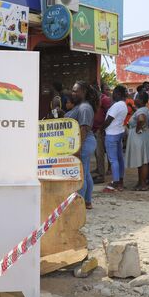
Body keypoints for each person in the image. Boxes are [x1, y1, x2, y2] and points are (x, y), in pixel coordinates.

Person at [66, 80, 98, 209]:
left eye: (75, 91)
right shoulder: (81, 106)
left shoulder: (84, 107)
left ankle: (79, 206)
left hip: (83, 142)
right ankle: (87, 202)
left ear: (83, 92)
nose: (72, 93)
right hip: (85, 142)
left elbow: (83, 128)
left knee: (81, 175)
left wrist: (78, 148)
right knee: (86, 173)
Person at [125, 92, 149, 191]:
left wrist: (138, 128)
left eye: (136, 98)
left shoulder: (141, 110)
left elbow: (141, 119)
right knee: (141, 160)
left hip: (140, 137)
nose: (134, 99)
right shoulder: (143, 109)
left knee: (143, 161)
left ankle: (143, 184)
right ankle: (140, 182)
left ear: (141, 100)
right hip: (142, 137)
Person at [101, 85, 128, 192]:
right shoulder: (124, 105)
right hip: (119, 132)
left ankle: (115, 183)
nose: (112, 95)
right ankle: (120, 180)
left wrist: (101, 129)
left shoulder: (117, 105)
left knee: (113, 159)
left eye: (114, 93)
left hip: (111, 134)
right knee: (119, 158)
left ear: (118, 94)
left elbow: (108, 120)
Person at [92, 83, 112, 183]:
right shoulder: (95, 100)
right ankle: (99, 170)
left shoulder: (104, 99)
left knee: (101, 152)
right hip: (96, 129)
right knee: (97, 152)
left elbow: (110, 115)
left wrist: (103, 128)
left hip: (102, 130)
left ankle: (101, 175)